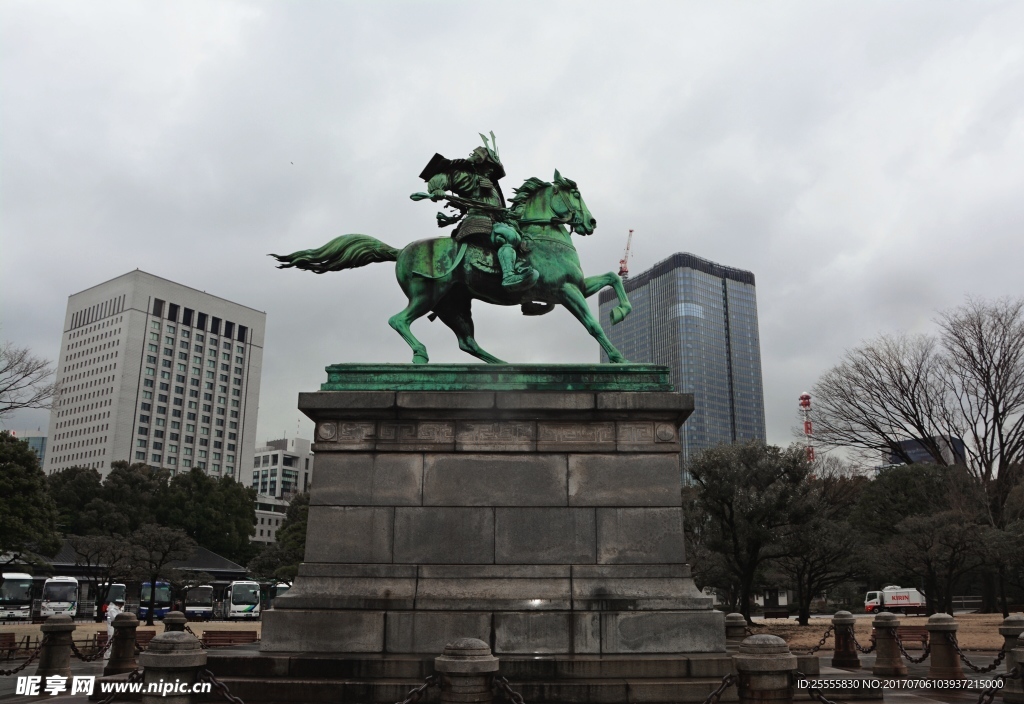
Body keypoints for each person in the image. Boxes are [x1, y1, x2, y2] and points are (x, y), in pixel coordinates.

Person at [412, 132, 539, 293]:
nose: (491, 171)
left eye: (493, 169)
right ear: (483, 165)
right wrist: (437, 189)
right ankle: (509, 276)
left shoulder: (491, 186)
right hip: (479, 221)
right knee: (509, 236)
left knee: (524, 241)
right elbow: (444, 178)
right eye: (490, 167)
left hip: (496, 221)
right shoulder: (470, 178)